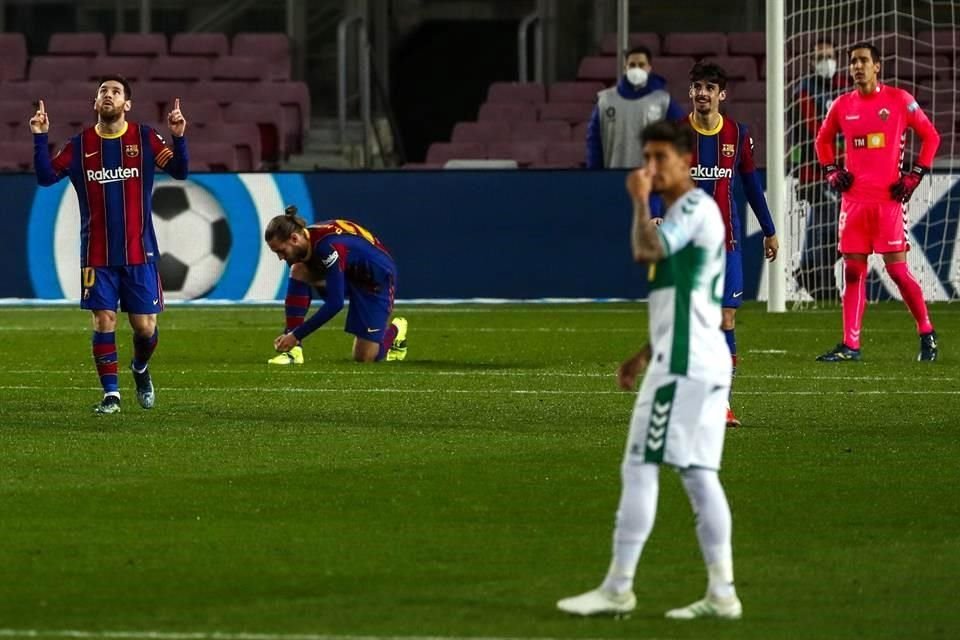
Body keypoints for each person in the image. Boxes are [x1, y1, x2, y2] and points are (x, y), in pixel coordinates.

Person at [557, 120, 741, 620]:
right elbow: (685, 298)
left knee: (639, 465)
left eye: (661, 158)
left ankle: (618, 587)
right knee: (700, 474)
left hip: (684, 365)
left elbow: (647, 251)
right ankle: (723, 593)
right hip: (694, 356)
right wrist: (642, 353)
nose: (651, 168)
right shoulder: (687, 213)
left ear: (686, 161)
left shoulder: (695, 210)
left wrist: (638, 202)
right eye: (647, 158)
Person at [31, 75, 188, 414]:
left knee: (144, 327)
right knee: (104, 321)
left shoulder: (144, 138)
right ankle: (111, 395)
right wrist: (40, 136)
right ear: (95, 102)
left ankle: (141, 369)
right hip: (96, 255)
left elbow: (179, 171)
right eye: (103, 91)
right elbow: (46, 178)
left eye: (116, 92)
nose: (108, 95)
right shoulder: (79, 145)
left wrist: (178, 138)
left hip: (139, 251)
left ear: (126, 104)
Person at [814, 42, 940, 362]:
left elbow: (931, 136)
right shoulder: (842, 105)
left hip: (888, 202)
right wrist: (830, 170)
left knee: (897, 271)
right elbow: (822, 139)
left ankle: (927, 333)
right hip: (853, 202)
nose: (857, 66)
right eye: (853, 61)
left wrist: (914, 175)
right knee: (853, 271)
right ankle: (850, 345)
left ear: (877, 66)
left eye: (864, 61)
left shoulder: (899, 100)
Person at [680, 61, 779, 428]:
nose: (703, 93)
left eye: (710, 87)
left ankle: (721, 404)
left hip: (728, 242)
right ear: (690, 92)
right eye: (697, 87)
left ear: (722, 94)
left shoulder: (737, 134)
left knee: (725, 318)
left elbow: (752, 186)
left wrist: (769, 229)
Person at [264, 206, 407, 364]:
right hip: (347, 272)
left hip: (375, 281)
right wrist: (293, 336)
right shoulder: (305, 241)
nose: (280, 257)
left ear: (294, 239)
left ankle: (396, 331)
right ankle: (294, 351)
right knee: (299, 269)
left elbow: (335, 304)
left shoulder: (328, 246)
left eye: (281, 251)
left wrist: (296, 334)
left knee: (365, 357)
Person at [791, 39, 849, 301]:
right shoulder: (804, 93)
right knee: (828, 225)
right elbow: (817, 133)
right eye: (820, 57)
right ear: (811, 63)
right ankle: (822, 281)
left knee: (832, 226)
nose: (826, 61)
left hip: (842, 170)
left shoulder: (845, 89)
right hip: (815, 171)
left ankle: (809, 270)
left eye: (829, 55)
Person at [586, 45, 685, 169]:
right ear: (625, 68)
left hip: (652, 177)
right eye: (632, 65)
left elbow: (682, 134)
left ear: (649, 68)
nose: (636, 69)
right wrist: (593, 173)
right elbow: (595, 141)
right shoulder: (605, 101)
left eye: (641, 64)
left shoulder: (663, 101)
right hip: (612, 175)